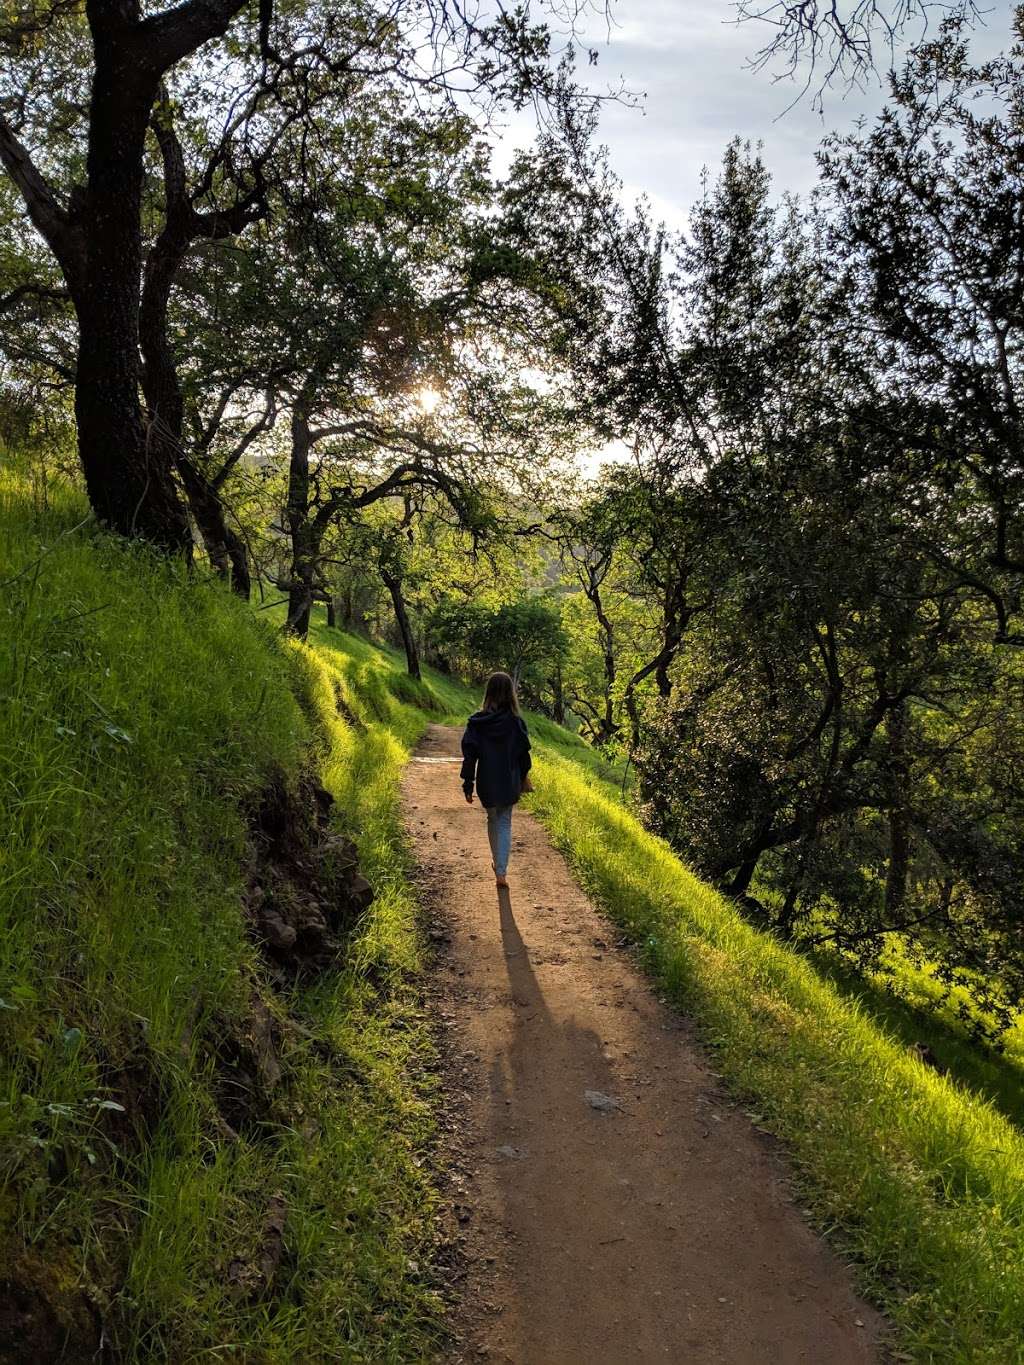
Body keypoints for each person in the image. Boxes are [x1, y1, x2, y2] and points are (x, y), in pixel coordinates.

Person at [460, 672, 532, 888]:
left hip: (487, 781)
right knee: (504, 822)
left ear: (488, 693)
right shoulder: (516, 723)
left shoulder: (477, 722)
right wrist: (523, 778)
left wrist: (468, 784)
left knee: (493, 819)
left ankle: (498, 867)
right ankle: (501, 870)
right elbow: (524, 757)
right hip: (509, 780)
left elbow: (470, 756)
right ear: (511, 694)